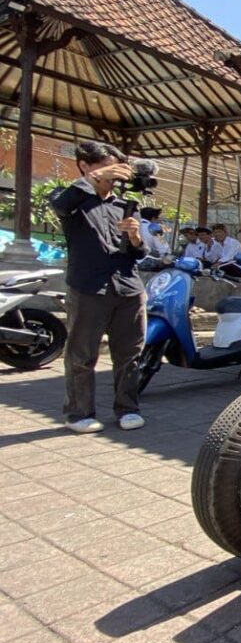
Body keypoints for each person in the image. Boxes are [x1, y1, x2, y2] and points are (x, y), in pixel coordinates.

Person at [48, 141, 147, 433]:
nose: (113, 173)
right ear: (85, 166)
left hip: (128, 288)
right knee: (82, 354)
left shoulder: (125, 205)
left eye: (116, 167)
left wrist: (137, 237)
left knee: (130, 353)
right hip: (88, 288)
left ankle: (128, 409)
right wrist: (91, 181)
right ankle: (78, 414)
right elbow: (60, 206)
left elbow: (139, 253)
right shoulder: (71, 200)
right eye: (106, 166)